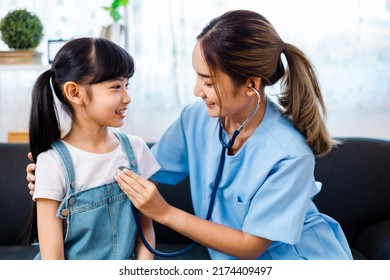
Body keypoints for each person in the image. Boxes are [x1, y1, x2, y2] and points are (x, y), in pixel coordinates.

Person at [28, 10, 353, 260]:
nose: (197, 91)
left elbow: (250, 246)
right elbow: (135, 172)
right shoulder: (196, 120)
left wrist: (164, 213)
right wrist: (63, 176)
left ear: (252, 84)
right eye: (197, 77)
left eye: (209, 82)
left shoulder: (290, 154)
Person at [27, 37, 160, 260]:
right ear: (74, 93)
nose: (127, 98)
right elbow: (53, 260)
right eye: (116, 87)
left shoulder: (137, 150)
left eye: (127, 86)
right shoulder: (53, 163)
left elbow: (145, 230)